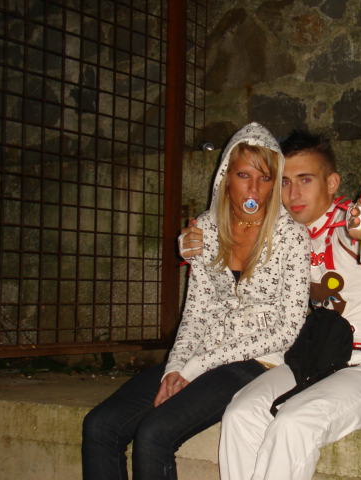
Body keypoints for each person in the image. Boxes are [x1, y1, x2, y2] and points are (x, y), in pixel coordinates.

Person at [181, 130, 361, 480]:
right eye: (285, 182)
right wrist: (192, 242)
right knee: (241, 414)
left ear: (332, 183)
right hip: (316, 362)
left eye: (305, 180)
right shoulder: (287, 237)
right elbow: (232, 235)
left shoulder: (348, 225)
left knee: (295, 422)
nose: (293, 194)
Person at [81, 122, 310, 480]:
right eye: (244, 175)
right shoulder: (204, 229)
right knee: (100, 426)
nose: (254, 189)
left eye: (265, 178)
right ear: (226, 177)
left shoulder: (292, 236)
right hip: (202, 354)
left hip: (256, 361)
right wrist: (175, 367)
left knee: (154, 433)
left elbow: (287, 331)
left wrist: (195, 367)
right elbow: (195, 313)